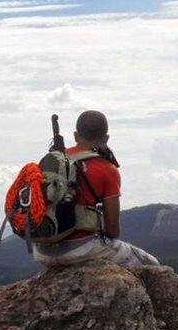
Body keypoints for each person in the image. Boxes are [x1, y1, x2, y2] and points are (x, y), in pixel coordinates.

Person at [32, 110, 160, 269]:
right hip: (81, 249)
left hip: (42, 250)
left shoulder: (49, 162)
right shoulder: (107, 168)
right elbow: (113, 231)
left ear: (75, 135)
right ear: (106, 138)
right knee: (152, 265)